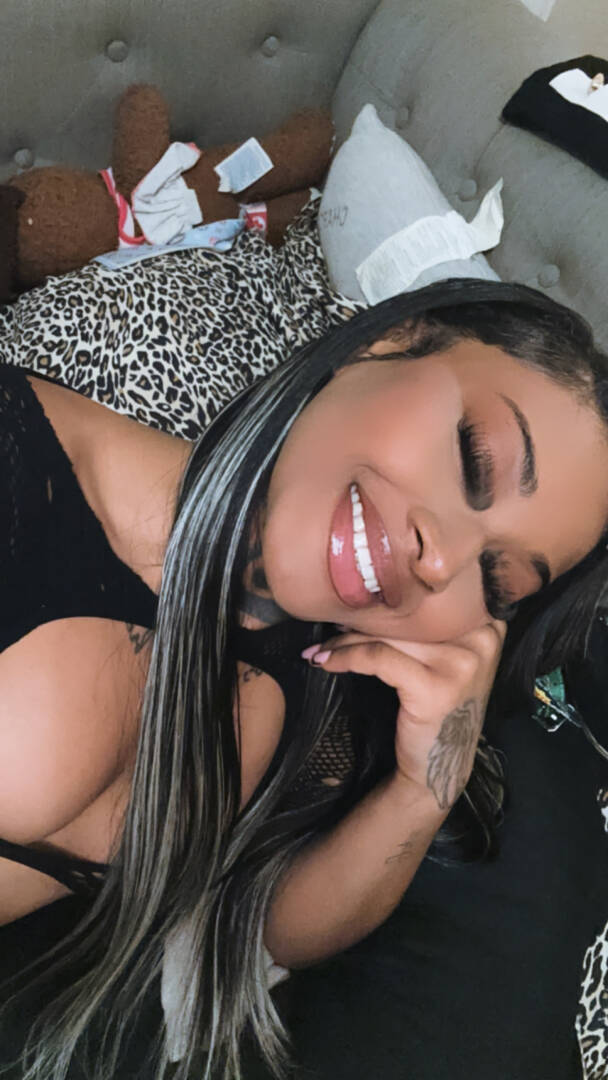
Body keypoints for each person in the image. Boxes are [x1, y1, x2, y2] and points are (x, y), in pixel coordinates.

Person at [0, 278, 607, 1080]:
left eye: (497, 579)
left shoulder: (327, 694)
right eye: (473, 459)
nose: (442, 559)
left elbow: (275, 928)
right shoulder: (20, 466)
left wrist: (423, 786)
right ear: (388, 340)